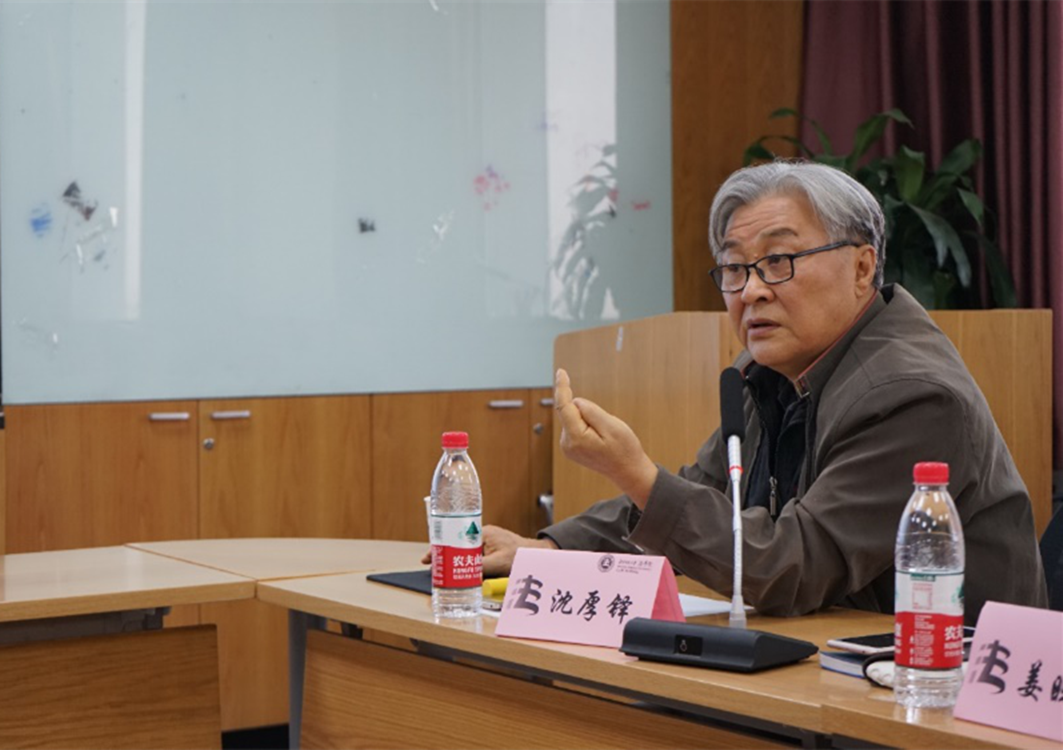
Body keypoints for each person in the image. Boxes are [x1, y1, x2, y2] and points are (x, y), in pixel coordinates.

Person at [481, 160, 1048, 624]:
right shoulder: (766, 375)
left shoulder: (913, 396)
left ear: (862, 268)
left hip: (943, 691)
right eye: (735, 268)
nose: (751, 290)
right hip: (831, 663)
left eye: (778, 261)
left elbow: (796, 564)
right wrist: (551, 550)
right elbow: (705, 495)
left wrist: (633, 474)